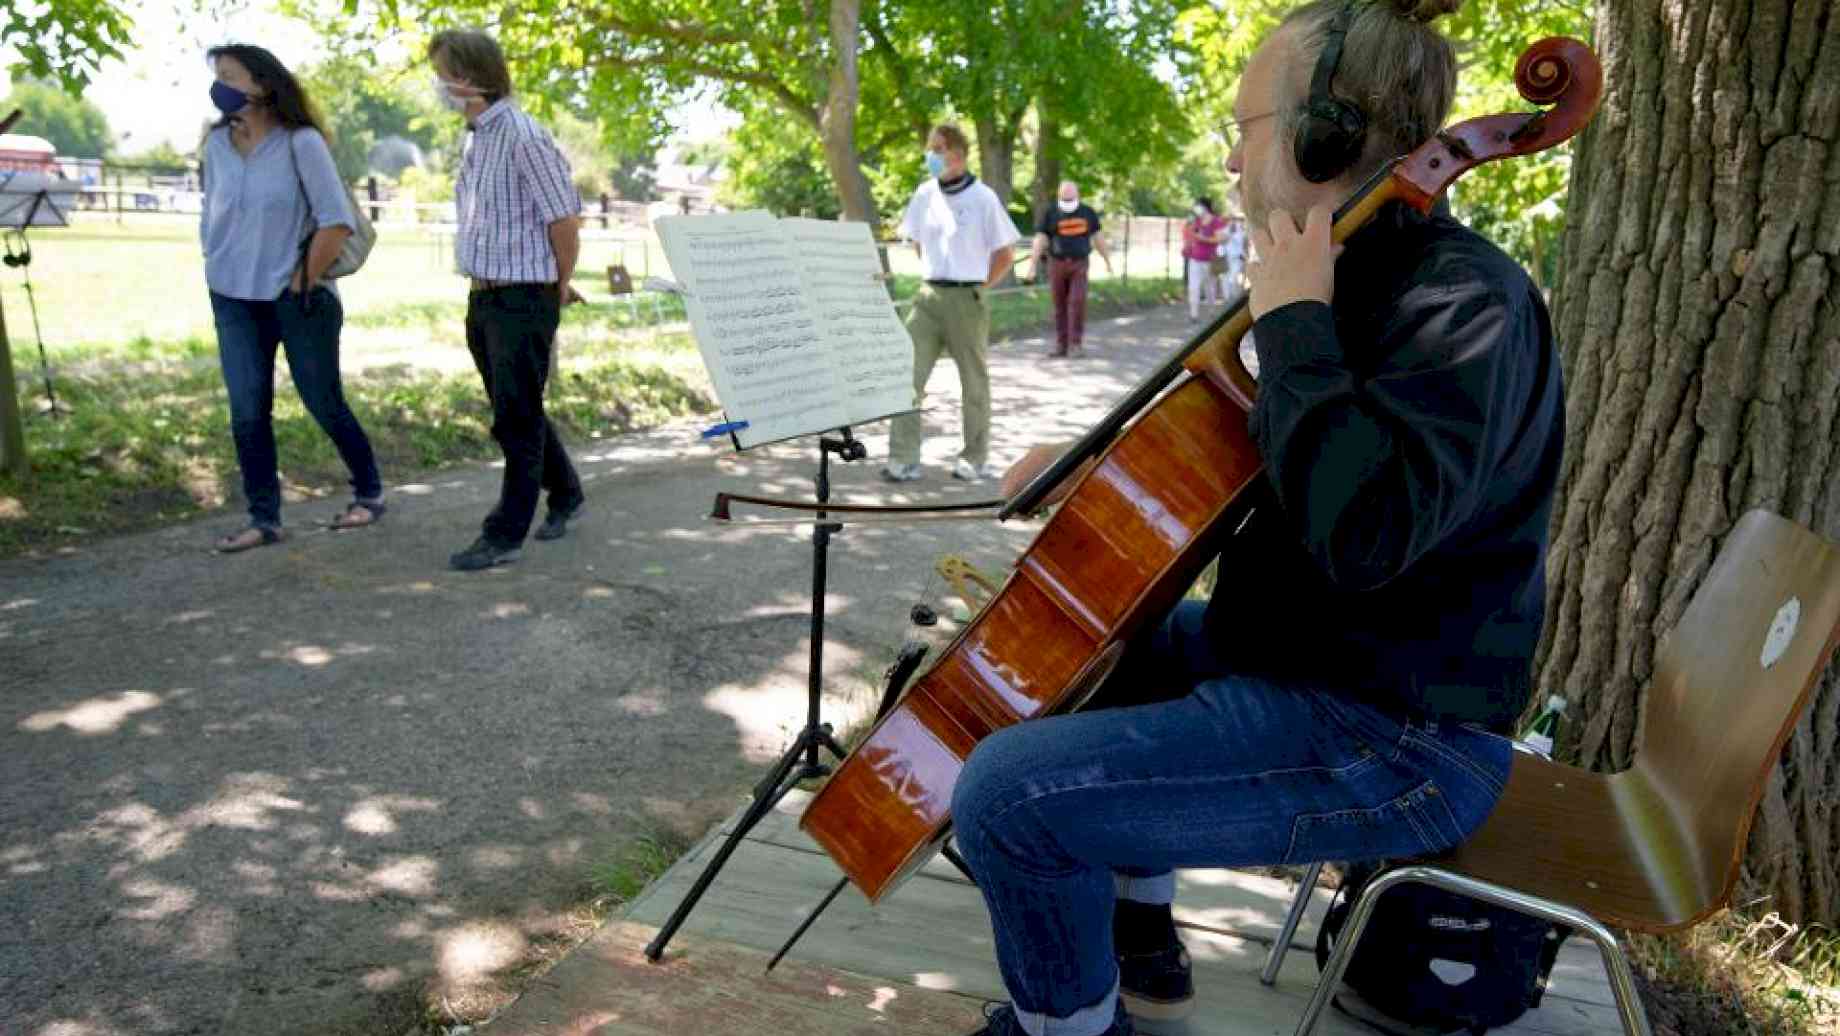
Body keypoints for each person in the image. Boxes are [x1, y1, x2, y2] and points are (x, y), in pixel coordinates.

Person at [952, 1, 1564, 1034]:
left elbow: (1360, 530)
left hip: (1397, 737)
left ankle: (1065, 1028)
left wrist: (1290, 322)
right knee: (1109, 654)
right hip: (1302, 666)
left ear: (1324, 136)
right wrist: (1104, 473)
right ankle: (1142, 936)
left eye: (1244, 131)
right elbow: (1264, 467)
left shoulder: (1464, 306)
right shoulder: (1341, 275)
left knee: (1005, 795)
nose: (1233, 166)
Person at [200, 44, 384, 553]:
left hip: (297, 297)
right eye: (217, 76)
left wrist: (303, 279)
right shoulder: (216, 144)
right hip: (233, 297)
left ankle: (368, 492)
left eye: (230, 76)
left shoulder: (301, 142)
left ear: (260, 84)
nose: (219, 85)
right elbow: (213, 211)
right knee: (246, 412)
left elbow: (336, 220)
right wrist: (213, 260)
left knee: (322, 401)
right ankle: (265, 519)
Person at [428, 30, 587, 571]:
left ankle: (505, 534)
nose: (437, 83)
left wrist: (558, 286)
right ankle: (566, 492)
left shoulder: (522, 135)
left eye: (442, 70)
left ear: (469, 77)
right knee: (515, 409)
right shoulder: (475, 137)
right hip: (485, 294)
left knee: (516, 419)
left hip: (523, 296)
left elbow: (564, 220)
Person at [883, 124, 1021, 484]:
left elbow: (1006, 254)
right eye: (930, 147)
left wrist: (979, 286)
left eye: (938, 148)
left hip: (967, 298)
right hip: (928, 297)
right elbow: (916, 240)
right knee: (905, 376)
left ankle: (974, 458)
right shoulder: (925, 194)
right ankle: (903, 457)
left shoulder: (983, 198)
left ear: (957, 154)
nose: (931, 154)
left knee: (973, 383)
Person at [1030, 181, 1112, 358]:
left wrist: (1107, 261)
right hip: (1056, 263)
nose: (1068, 199)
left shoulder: (1087, 213)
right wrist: (1032, 265)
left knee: (1077, 302)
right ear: (1059, 195)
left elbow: (1098, 238)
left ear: (1078, 195)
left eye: (1071, 195)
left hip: (1079, 264)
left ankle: (1075, 344)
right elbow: (1040, 239)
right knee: (1059, 305)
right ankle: (1061, 344)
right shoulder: (1050, 213)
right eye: (1064, 196)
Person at [1180, 197, 1226, 321]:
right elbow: (1189, 234)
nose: (1196, 208)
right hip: (1195, 259)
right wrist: (1187, 245)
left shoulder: (1216, 221)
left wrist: (1202, 238)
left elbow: (1220, 239)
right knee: (1193, 287)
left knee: (1209, 288)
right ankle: (1193, 314)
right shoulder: (1196, 220)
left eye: (1197, 206)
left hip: (1210, 260)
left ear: (1205, 207)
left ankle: (1211, 311)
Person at [1218, 214, 1249, 296]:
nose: (1233, 222)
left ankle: (1234, 297)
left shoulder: (1242, 232)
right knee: (1225, 279)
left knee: (1234, 278)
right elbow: (1221, 242)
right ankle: (1227, 297)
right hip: (1225, 258)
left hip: (1238, 258)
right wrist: (1228, 234)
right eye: (1230, 220)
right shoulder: (1224, 231)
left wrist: (1246, 256)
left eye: (1234, 220)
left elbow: (1245, 245)